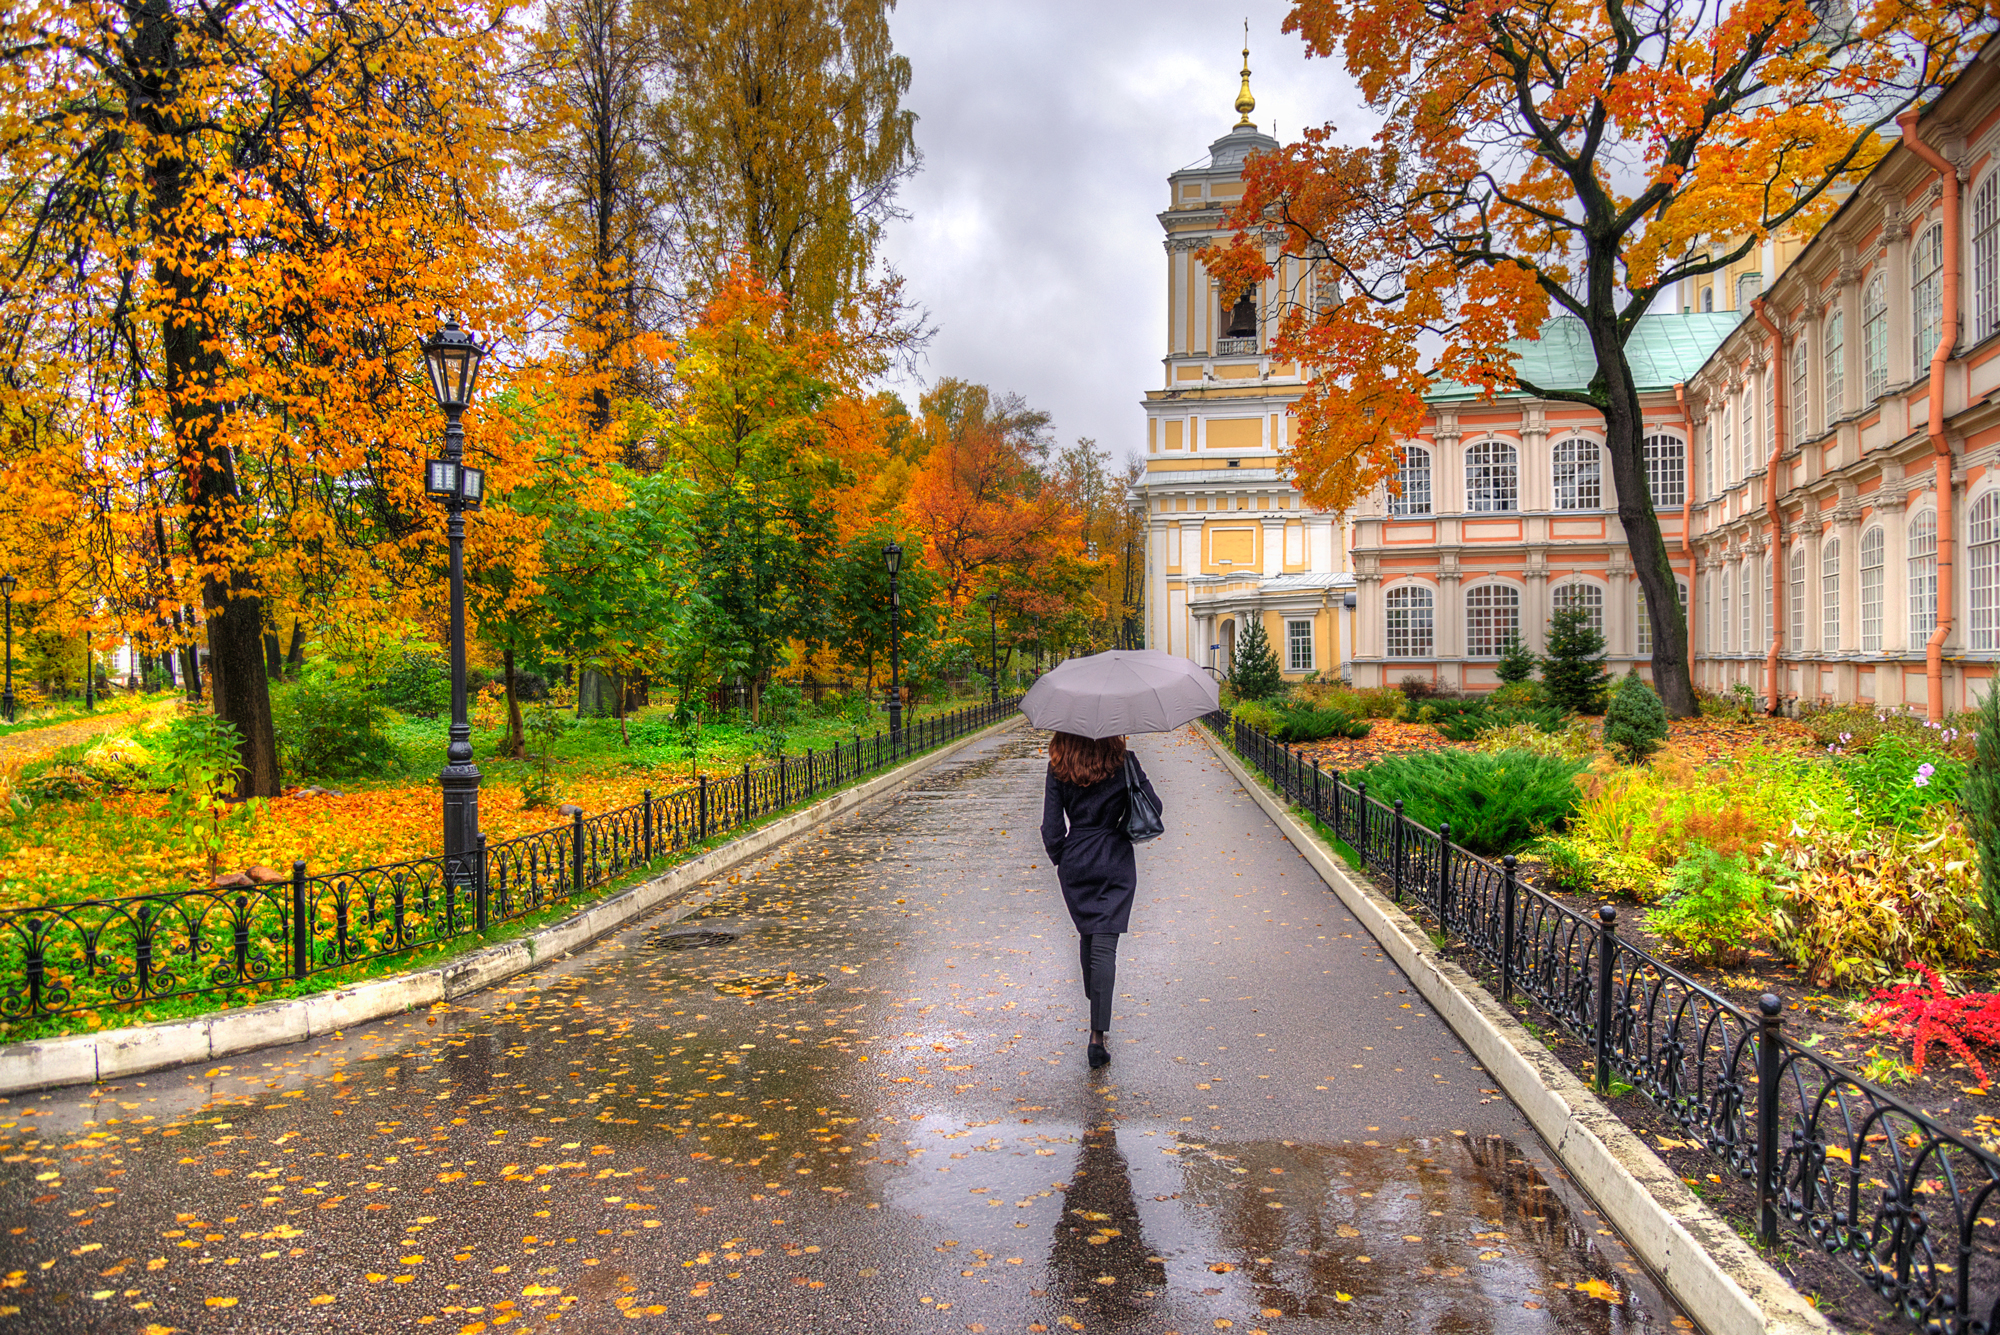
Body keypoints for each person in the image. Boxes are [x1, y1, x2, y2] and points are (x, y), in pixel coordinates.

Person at [1040, 731, 1162, 1070]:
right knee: (1104, 943)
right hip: (1114, 857)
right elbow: (1155, 805)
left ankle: (1097, 1003)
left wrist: (1063, 858)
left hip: (1076, 858)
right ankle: (1097, 1034)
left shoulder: (1059, 764)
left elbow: (1051, 827)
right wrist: (1119, 830)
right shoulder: (1123, 761)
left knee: (1088, 934)